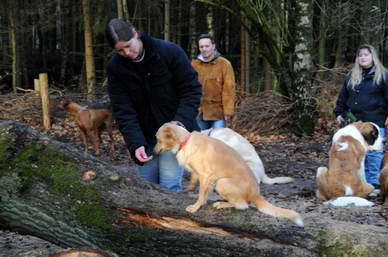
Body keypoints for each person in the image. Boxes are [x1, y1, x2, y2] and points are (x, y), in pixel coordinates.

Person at [105, 18, 201, 192]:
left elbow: (191, 91)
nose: (127, 53)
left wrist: (178, 124)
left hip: (173, 134)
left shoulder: (169, 52)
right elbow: (123, 110)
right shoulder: (115, 67)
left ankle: (172, 219)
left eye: (128, 45)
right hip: (144, 137)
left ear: (136, 33)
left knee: (169, 186)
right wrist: (136, 143)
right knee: (146, 188)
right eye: (120, 50)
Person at [334, 44, 388, 189]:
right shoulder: (352, 76)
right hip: (354, 122)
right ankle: (355, 183)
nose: (363, 57)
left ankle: (372, 184)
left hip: (376, 119)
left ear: (372, 57)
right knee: (353, 151)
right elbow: (343, 97)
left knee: (374, 153)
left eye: (366, 54)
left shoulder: (383, 75)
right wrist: (339, 113)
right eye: (360, 55)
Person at [191, 34, 236, 130]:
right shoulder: (194, 65)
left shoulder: (224, 64)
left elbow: (229, 89)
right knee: (200, 142)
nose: (204, 49)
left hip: (218, 113)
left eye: (207, 46)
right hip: (198, 112)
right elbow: (189, 88)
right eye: (201, 46)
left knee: (217, 141)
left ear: (213, 46)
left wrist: (228, 112)